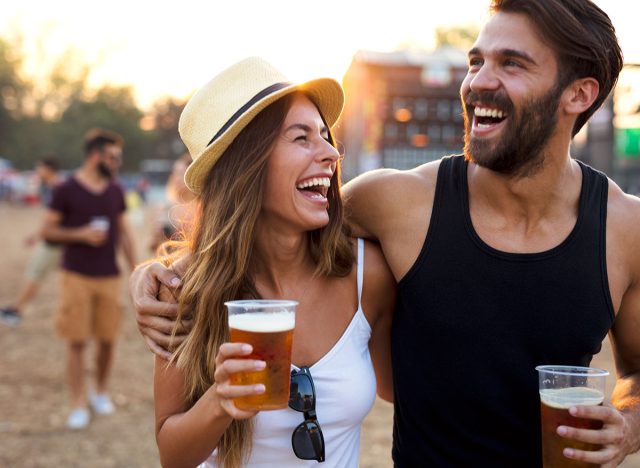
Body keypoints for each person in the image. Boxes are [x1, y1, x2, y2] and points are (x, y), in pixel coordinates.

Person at [131, 1, 640, 466]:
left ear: (579, 93)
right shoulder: (391, 203)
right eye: (475, 61)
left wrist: (628, 427)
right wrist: (160, 275)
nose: (478, 82)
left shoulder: (627, 230)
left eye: (511, 63)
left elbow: (636, 376)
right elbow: (264, 229)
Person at [146, 57, 395, 467]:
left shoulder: (368, 276)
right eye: (302, 138)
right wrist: (219, 402)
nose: (331, 152)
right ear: (248, 166)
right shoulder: (183, 291)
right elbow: (173, 456)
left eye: (324, 135)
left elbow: (398, 389)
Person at [42, 129, 137, 430]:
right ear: (96, 156)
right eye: (114, 157)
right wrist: (80, 234)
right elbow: (48, 231)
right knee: (77, 342)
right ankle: (78, 403)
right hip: (76, 276)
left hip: (109, 276)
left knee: (108, 342)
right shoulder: (66, 190)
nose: (118, 163)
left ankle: (100, 392)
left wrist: (137, 270)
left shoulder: (115, 190)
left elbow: (123, 232)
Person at [0, 156, 63, 327]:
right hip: (56, 240)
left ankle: (16, 312)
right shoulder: (53, 188)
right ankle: (16, 309)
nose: (37, 171)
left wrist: (40, 235)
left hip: (55, 242)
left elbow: (56, 220)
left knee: (35, 273)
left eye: (39, 168)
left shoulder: (58, 188)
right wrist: (36, 235)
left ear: (49, 169)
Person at [148, 153, 196, 254]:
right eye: (175, 173)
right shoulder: (166, 207)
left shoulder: (203, 208)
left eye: (181, 173)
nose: (177, 178)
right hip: (170, 264)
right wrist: (157, 236)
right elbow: (152, 247)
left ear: (193, 176)